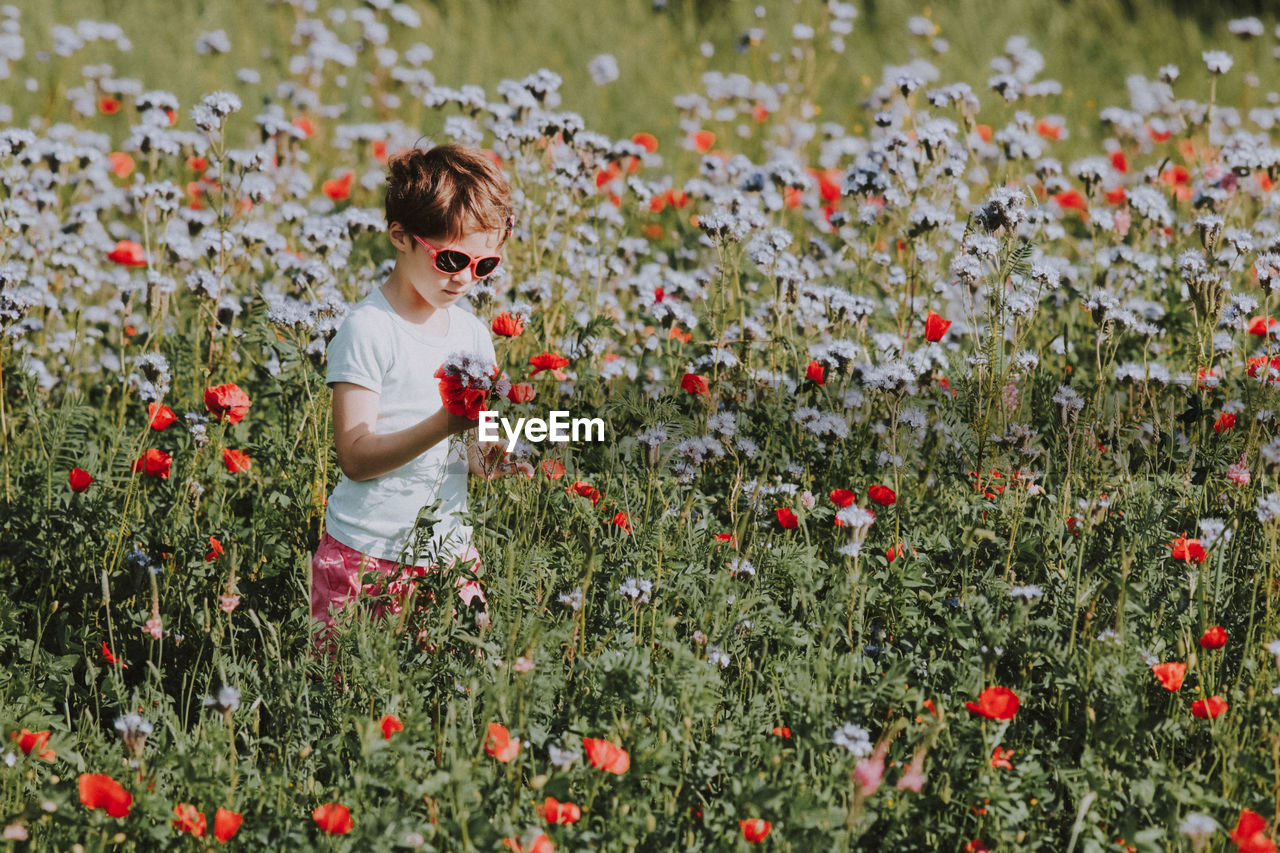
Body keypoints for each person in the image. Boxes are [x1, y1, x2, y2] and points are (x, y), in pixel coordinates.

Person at [311, 143, 515, 648]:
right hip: (365, 554)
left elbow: (471, 453)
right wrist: (444, 424)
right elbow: (355, 457)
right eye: (450, 258)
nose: (465, 278)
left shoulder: (472, 336)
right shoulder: (369, 329)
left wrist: (495, 457)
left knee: (462, 686)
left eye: (484, 265)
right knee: (349, 699)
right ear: (400, 236)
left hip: (449, 554)